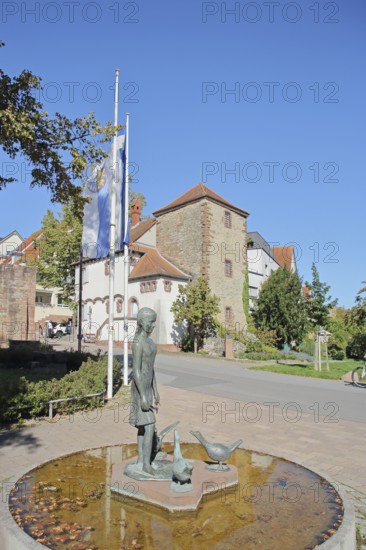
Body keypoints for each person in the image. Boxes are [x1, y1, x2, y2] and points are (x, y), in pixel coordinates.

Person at [129, 307, 160, 475]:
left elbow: (151, 368)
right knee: (149, 425)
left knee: (143, 427)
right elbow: (137, 371)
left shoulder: (150, 342)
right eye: (151, 322)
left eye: (155, 321)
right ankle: (146, 465)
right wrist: (142, 396)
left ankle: (141, 460)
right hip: (140, 389)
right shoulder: (138, 343)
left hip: (148, 388)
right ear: (142, 322)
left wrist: (156, 391)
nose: (153, 325)